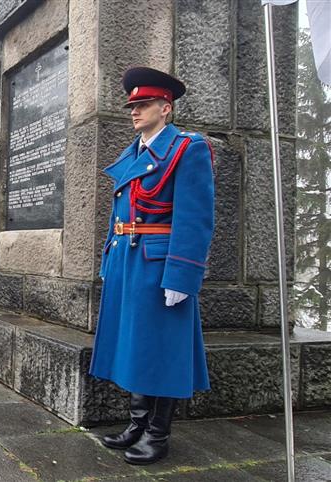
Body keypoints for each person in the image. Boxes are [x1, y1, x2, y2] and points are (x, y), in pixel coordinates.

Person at [89, 67, 215, 466]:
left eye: (143, 104)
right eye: (132, 105)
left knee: (162, 350)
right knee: (135, 346)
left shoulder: (187, 148)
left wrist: (182, 274)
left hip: (160, 264)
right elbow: (119, 212)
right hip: (128, 259)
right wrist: (110, 255)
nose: (134, 111)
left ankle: (157, 435)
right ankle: (137, 424)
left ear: (166, 107)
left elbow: (195, 219)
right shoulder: (135, 153)